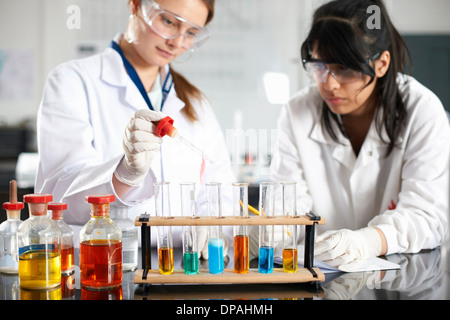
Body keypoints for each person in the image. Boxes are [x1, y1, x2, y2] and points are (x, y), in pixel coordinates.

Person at [35, 0, 234, 254]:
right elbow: (57, 198)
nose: (177, 41)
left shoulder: (195, 102)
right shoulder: (73, 82)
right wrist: (123, 176)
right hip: (103, 262)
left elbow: (220, 186)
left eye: (191, 33)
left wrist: (213, 227)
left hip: (184, 266)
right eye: (169, 21)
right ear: (135, 5)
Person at [269, 0, 449, 271]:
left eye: (344, 69)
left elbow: (427, 216)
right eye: (319, 66)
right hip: (320, 277)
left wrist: (368, 241)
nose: (329, 84)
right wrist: (272, 231)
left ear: (381, 64)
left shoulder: (421, 110)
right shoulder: (298, 111)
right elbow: (287, 207)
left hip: (401, 279)